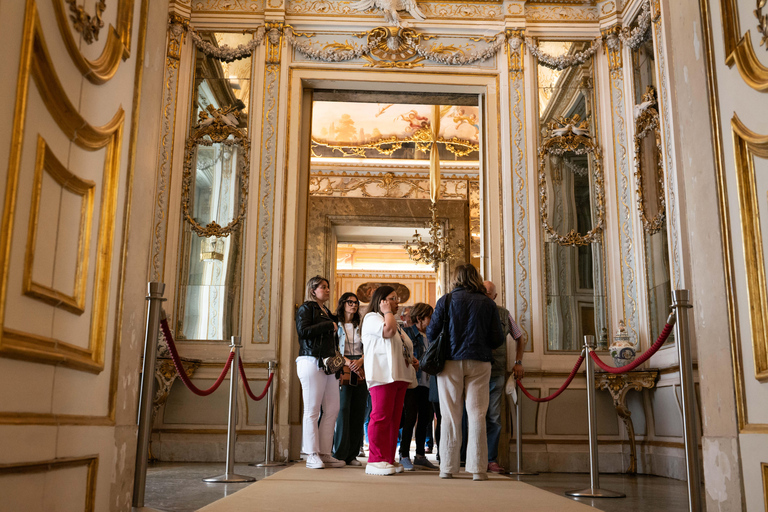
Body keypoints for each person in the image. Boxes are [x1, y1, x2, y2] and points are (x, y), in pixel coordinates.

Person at [427, 264, 504, 481]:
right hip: (480, 362)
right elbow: (498, 338)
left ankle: (447, 467)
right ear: (476, 278)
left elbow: (431, 333)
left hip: (450, 361)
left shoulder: (446, 300)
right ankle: (478, 469)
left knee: (450, 415)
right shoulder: (488, 303)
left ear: (456, 278)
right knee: (477, 414)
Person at [361, 286, 416, 476]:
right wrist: (387, 312)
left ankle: (388, 458)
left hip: (399, 376)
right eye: (392, 298)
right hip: (382, 375)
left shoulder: (393, 321)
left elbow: (401, 344)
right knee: (381, 417)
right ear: (381, 300)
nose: (397, 302)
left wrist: (411, 359)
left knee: (394, 420)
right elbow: (388, 331)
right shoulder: (372, 318)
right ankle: (375, 459)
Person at [295, 276, 344, 469]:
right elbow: (303, 331)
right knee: (312, 410)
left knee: (332, 408)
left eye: (328, 287)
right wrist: (328, 325)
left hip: (328, 364)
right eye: (323, 287)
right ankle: (311, 454)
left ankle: (324, 452)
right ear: (313, 290)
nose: (327, 290)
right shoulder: (307, 308)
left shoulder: (327, 312)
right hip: (311, 360)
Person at [483, 280, 525, 474]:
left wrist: (518, 362)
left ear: (495, 296)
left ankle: (491, 459)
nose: (485, 295)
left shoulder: (504, 314)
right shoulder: (473, 309)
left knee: (493, 416)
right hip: (474, 371)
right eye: (482, 291)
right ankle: (470, 457)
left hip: (496, 372)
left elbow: (519, 337)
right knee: (472, 415)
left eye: (488, 292)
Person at [400, 303, 438, 471]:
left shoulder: (432, 335)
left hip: (428, 382)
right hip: (412, 382)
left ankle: (420, 456)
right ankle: (404, 455)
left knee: (425, 418)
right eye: (430, 316)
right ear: (420, 318)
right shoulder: (407, 333)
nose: (432, 320)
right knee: (410, 418)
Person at [332, 292, 368, 466]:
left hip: (361, 365)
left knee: (359, 409)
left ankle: (352, 454)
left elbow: (370, 346)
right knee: (343, 409)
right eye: (350, 302)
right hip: (343, 365)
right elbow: (332, 347)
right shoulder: (335, 324)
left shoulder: (361, 325)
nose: (354, 305)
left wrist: (360, 361)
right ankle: (339, 453)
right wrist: (347, 362)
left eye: (356, 303)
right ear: (343, 304)